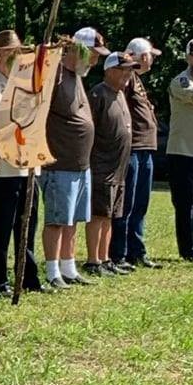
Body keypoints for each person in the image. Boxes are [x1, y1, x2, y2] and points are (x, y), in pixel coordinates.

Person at [0, 30, 47, 297]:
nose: (18, 59)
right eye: (11, 54)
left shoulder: (27, 84)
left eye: (20, 54)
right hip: (2, 169)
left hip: (28, 166)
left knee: (28, 225)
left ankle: (28, 275)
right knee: (1, 227)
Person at [41, 26, 106, 286]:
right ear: (78, 50)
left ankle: (69, 267)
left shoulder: (76, 76)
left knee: (73, 219)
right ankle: (52, 271)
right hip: (60, 162)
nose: (95, 61)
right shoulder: (55, 74)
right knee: (57, 220)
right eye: (93, 54)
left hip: (80, 164)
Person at [84, 52, 137, 275]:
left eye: (130, 70)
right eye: (124, 70)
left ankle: (105, 258)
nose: (128, 74)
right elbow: (89, 128)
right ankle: (93, 260)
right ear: (110, 71)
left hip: (118, 168)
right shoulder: (99, 94)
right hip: (101, 165)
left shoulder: (120, 94)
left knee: (110, 215)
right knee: (98, 214)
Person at [113, 37, 161, 268]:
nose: (152, 60)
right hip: (134, 148)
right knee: (128, 203)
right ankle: (119, 252)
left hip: (145, 148)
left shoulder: (137, 79)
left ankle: (136, 250)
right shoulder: (128, 76)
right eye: (151, 55)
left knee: (140, 203)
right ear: (142, 56)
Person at [168, 39, 193, 261]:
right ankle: (188, 249)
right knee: (185, 204)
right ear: (188, 57)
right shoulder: (181, 81)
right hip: (182, 152)